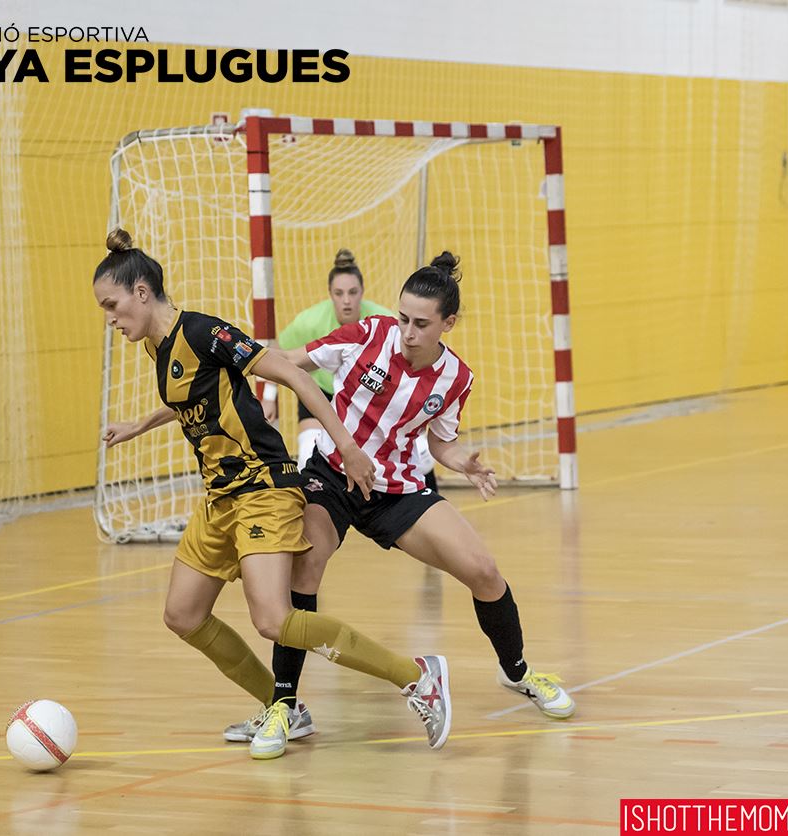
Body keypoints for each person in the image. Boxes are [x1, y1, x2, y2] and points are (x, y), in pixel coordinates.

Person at [95, 229, 453, 760]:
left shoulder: (207, 332)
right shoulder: (156, 343)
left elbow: (295, 377)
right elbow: (195, 397)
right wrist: (140, 423)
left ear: (142, 292)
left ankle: (416, 678)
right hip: (220, 496)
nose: (110, 317)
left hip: (264, 486)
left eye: (113, 304)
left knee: (272, 618)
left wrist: (349, 448)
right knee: (183, 616)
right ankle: (284, 707)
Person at [224, 252, 575, 745]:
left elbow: (438, 440)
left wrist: (461, 462)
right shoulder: (369, 334)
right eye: (403, 318)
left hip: (397, 491)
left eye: (421, 323)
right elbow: (291, 361)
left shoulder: (456, 379)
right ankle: (286, 705)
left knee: (483, 570)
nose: (407, 331)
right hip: (333, 477)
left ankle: (517, 672)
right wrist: (236, 360)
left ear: (447, 324)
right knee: (306, 566)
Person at [262, 249, 440, 491]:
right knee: (306, 455)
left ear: (362, 293)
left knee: (422, 454)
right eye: (339, 293)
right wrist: (269, 396)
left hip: (372, 398)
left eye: (352, 293)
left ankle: (423, 501)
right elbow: (280, 354)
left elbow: (412, 367)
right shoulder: (310, 321)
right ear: (330, 295)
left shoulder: (385, 323)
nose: (346, 300)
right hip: (322, 395)